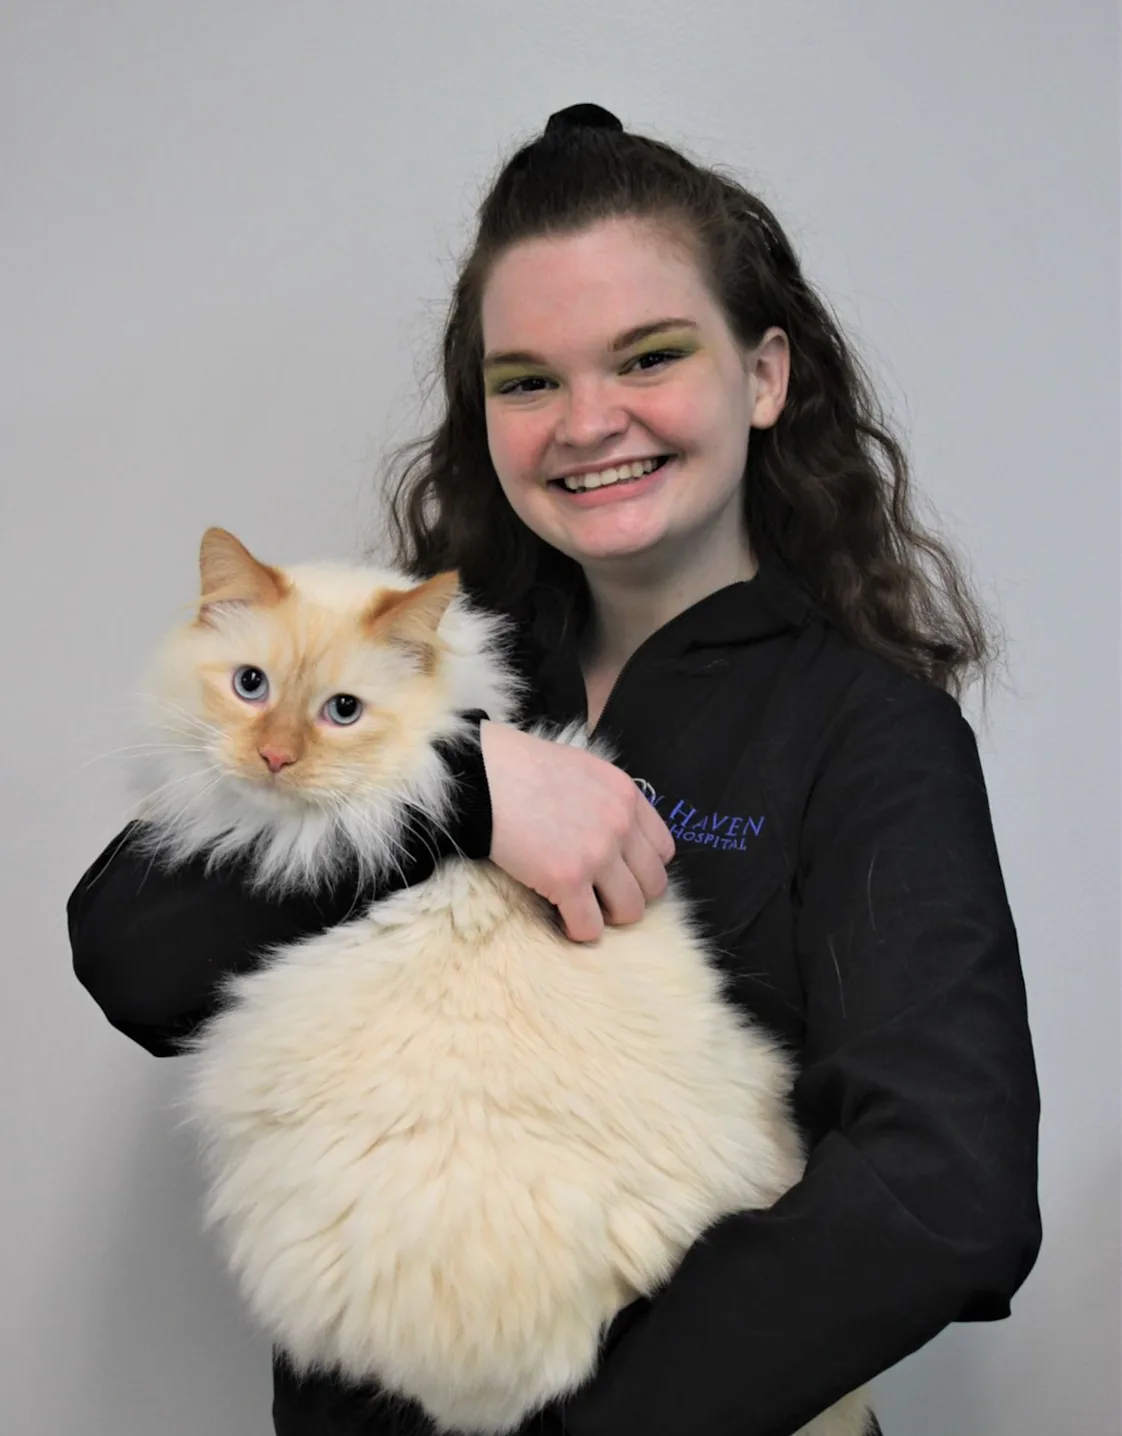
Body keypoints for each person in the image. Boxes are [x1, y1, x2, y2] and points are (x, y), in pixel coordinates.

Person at [68, 103, 1041, 1436]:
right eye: (526, 379)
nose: (587, 420)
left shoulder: (866, 734)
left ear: (761, 377)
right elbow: (133, 953)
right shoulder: (420, 677)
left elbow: (946, 1195)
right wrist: (463, 796)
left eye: (647, 357)